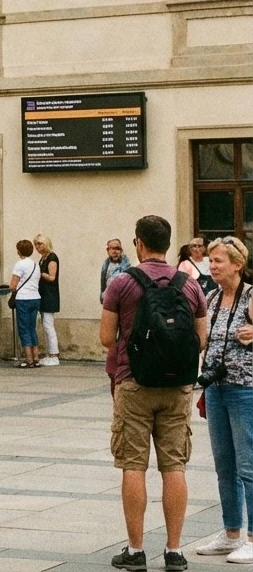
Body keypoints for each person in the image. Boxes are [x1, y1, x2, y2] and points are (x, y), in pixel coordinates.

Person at [101, 215, 207, 572]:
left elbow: (105, 338)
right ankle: (174, 551)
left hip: (134, 383)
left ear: (138, 243)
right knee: (173, 465)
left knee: (133, 465)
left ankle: (135, 550)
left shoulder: (121, 283)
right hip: (177, 385)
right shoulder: (189, 284)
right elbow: (201, 338)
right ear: (167, 243)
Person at [195, 237, 253, 562]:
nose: (211, 265)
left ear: (237, 264)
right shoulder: (212, 297)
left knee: (248, 465)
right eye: (210, 260)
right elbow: (202, 338)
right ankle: (231, 532)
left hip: (245, 388)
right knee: (224, 465)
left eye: (218, 260)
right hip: (215, 389)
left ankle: (252, 538)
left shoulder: (251, 296)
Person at [10, 239, 43, 368]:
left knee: (23, 328)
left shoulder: (20, 264)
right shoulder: (36, 264)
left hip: (23, 298)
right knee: (32, 327)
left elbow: (13, 285)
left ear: (19, 251)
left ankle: (28, 359)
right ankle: (36, 358)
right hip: (36, 297)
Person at [31, 234, 61, 366]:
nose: (38, 247)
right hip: (42, 294)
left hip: (49, 295)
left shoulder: (52, 257)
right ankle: (50, 353)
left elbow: (52, 277)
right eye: (36, 244)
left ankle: (54, 354)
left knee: (48, 325)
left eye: (40, 244)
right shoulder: (43, 259)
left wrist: (40, 274)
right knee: (45, 324)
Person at [101, 239, 132, 305]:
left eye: (117, 248)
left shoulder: (126, 265)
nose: (115, 251)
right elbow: (103, 282)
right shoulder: (106, 265)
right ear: (108, 251)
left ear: (121, 251)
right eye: (112, 248)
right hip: (109, 298)